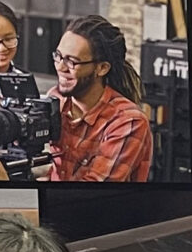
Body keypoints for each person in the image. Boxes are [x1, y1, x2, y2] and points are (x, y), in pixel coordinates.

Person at [48, 13, 152, 183]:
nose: (60, 67)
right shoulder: (56, 99)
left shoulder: (128, 122)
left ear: (102, 68)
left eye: (72, 61)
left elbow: (93, 189)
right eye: (58, 56)